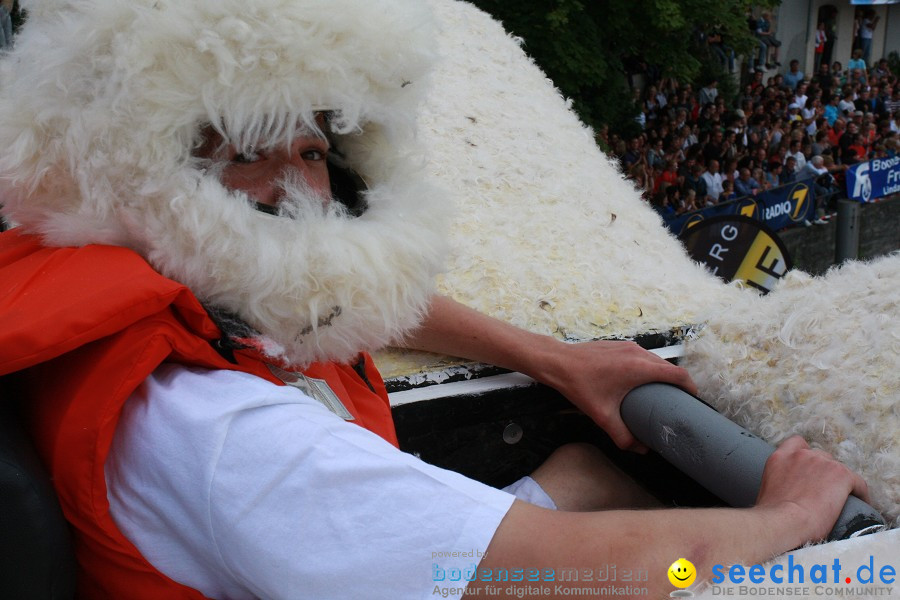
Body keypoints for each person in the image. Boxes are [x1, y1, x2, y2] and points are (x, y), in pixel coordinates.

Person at [0, 3, 871, 599]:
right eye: (243, 152)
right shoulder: (234, 442)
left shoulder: (94, 255)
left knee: (586, 473)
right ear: (138, 167)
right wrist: (785, 517)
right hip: (486, 574)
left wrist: (555, 359)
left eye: (308, 148)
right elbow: (572, 578)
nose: (299, 188)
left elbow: (325, 286)